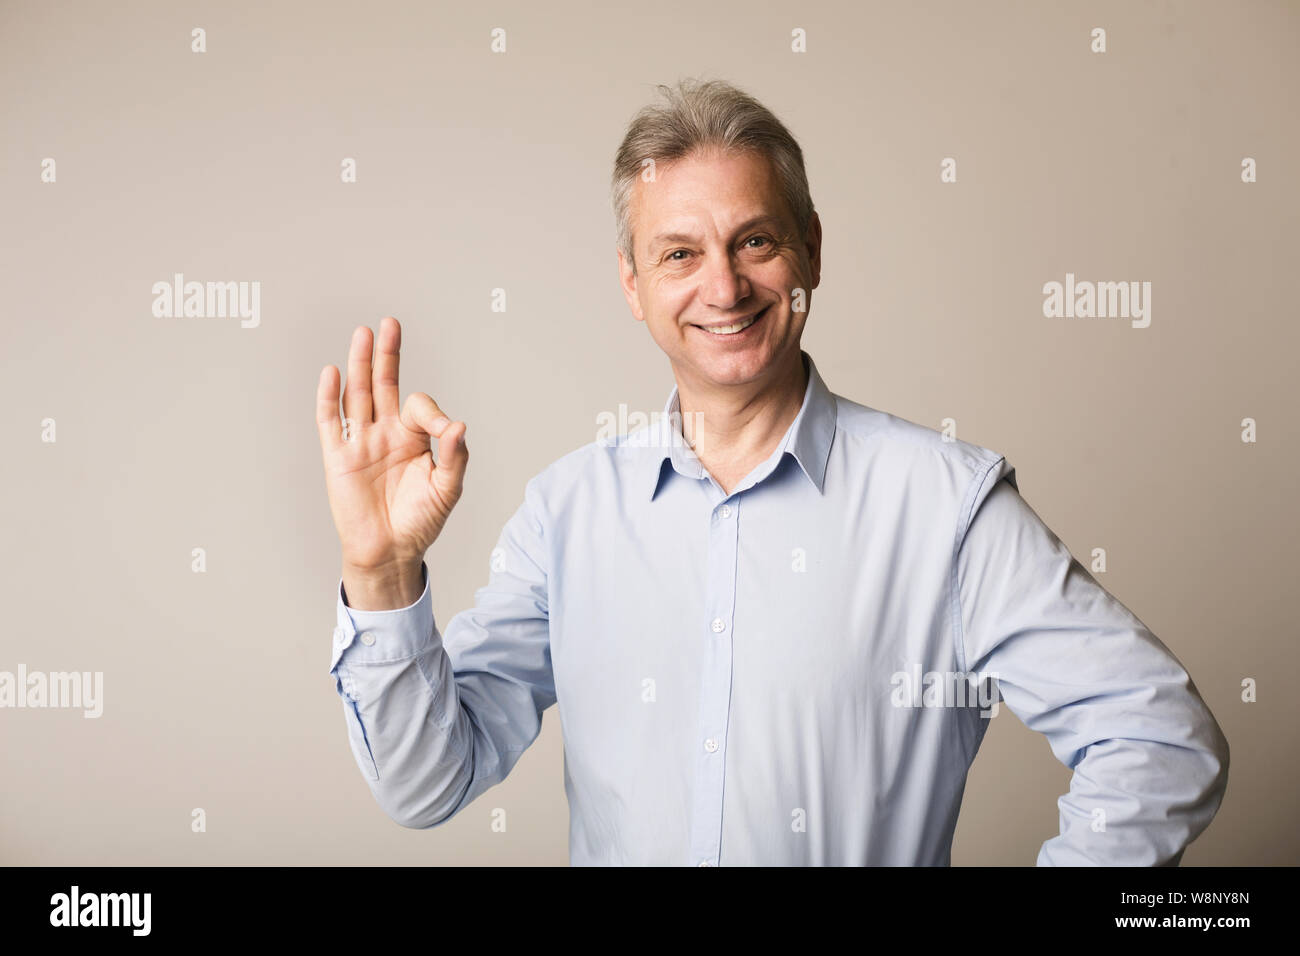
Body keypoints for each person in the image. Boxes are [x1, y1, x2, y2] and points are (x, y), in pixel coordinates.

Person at [314, 79, 1228, 866]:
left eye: (755, 242)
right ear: (633, 285)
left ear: (811, 252)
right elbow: (427, 783)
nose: (724, 287)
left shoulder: (945, 506)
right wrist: (383, 575)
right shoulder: (568, 514)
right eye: (679, 253)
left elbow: (1158, 738)